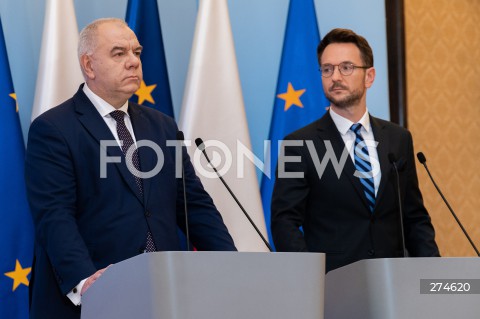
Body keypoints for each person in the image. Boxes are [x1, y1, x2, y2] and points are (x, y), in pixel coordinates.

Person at [25, 18, 236, 319]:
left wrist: (234, 267)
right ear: (89, 65)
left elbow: (194, 205)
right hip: (93, 300)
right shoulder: (54, 129)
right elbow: (54, 215)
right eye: (119, 53)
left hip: (163, 297)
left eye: (136, 52)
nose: (133, 62)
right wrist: (87, 282)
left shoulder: (162, 127)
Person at [271, 28, 439, 273]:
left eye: (346, 67)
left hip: (393, 282)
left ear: (369, 76)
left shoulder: (398, 139)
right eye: (327, 69)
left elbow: (414, 218)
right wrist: (312, 277)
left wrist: (434, 278)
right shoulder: (296, 145)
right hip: (333, 285)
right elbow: (283, 222)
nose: (335, 77)